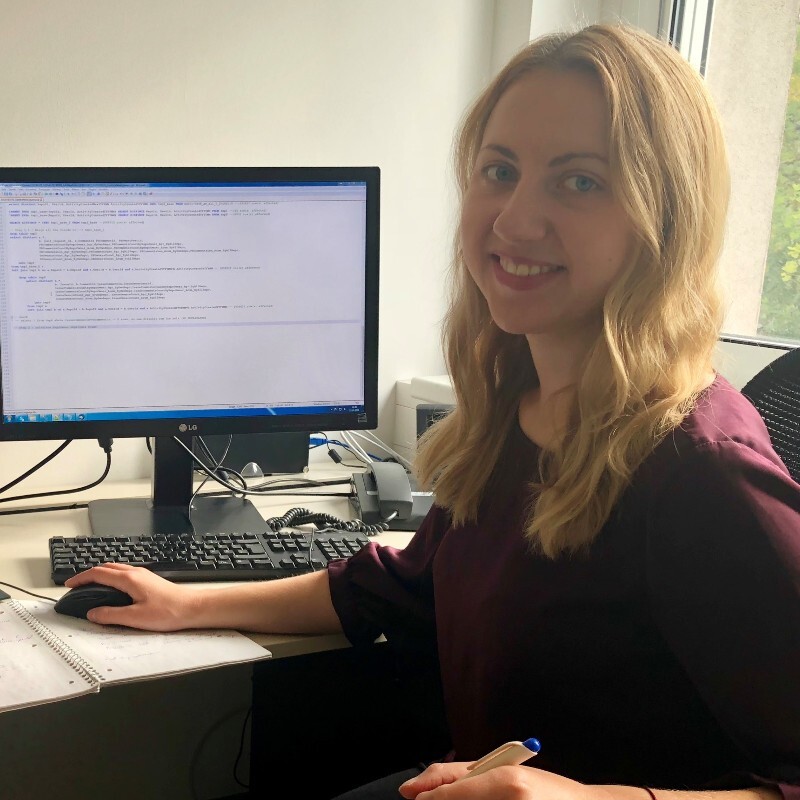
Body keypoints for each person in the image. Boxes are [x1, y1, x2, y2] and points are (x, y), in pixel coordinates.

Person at [66, 23, 800, 800]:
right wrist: (188, 602)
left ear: (666, 217)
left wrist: (588, 799)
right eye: (499, 170)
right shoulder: (515, 412)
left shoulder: (700, 471)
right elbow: (403, 581)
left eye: (579, 181)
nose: (515, 219)